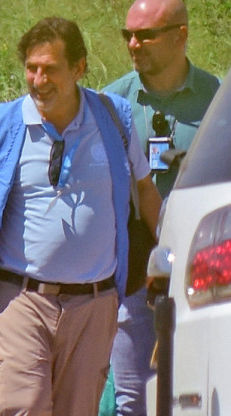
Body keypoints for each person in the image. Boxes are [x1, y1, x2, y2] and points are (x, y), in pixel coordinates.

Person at [0, 17, 162, 415]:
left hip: (95, 302)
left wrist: (172, 252)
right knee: (20, 405)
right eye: (31, 68)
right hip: (22, 298)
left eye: (49, 69)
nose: (38, 80)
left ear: (79, 67)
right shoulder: (4, 126)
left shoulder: (114, 120)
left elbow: (144, 188)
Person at [104, 0, 220, 414]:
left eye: (145, 35)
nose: (134, 44)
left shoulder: (218, 103)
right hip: (135, 267)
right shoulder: (110, 105)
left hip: (206, 263)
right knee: (131, 397)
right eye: (128, 35)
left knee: (202, 391)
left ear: (180, 35)